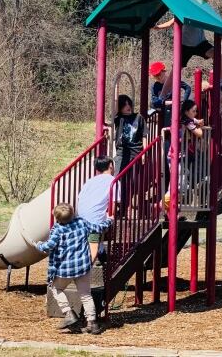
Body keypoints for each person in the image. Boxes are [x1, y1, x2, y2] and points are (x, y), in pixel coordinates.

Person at [35, 203, 113, 334]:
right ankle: (92, 323)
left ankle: (68, 313)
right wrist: (110, 220)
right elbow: (99, 228)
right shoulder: (82, 223)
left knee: (56, 288)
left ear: (57, 218)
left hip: (64, 270)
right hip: (82, 266)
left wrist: (38, 245)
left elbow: (49, 246)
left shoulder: (58, 229)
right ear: (73, 214)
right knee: (86, 294)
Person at [76, 157, 116, 261]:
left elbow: (80, 197)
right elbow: (114, 202)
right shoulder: (113, 181)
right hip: (95, 221)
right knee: (107, 219)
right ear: (111, 166)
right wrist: (111, 216)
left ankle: (101, 250)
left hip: (80, 218)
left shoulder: (90, 181)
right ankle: (95, 257)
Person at [113, 95, 144, 174]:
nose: (128, 106)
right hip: (121, 153)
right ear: (120, 107)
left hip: (136, 152)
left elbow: (144, 136)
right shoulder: (119, 118)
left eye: (129, 104)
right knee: (118, 178)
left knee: (133, 181)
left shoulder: (138, 117)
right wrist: (116, 86)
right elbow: (115, 103)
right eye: (124, 105)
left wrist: (144, 153)